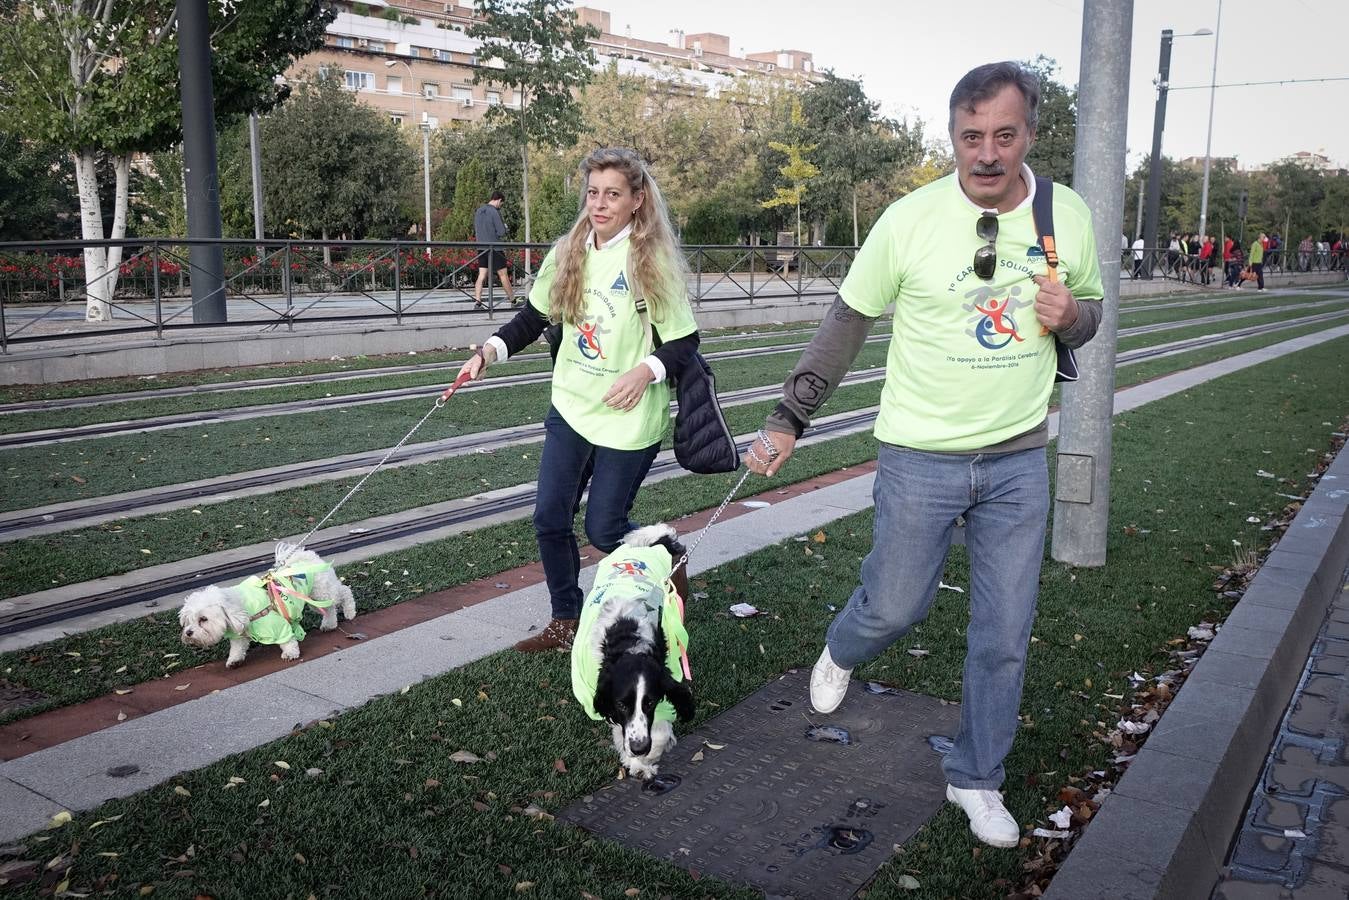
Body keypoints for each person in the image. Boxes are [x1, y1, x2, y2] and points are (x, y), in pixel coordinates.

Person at [743, 61, 1103, 849]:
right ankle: (843, 644)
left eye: (1002, 136)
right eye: (969, 137)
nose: (984, 154)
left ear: (1029, 136)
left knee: (1003, 631)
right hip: (918, 457)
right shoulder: (907, 219)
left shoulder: (1064, 214)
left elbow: (1089, 316)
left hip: (1015, 462)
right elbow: (845, 323)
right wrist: (785, 420)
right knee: (895, 604)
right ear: (952, 137)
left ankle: (975, 778)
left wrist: (1072, 314)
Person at [456, 148, 700, 652]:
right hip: (571, 407)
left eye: (613, 194)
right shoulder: (568, 251)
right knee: (549, 516)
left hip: (629, 418)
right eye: (593, 193)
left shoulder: (650, 258)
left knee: (604, 527)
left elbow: (683, 342)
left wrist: (645, 370)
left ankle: (663, 554)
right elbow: (532, 318)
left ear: (636, 201)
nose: (600, 204)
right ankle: (565, 619)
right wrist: (488, 351)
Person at [473, 190, 515, 310]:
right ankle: (513, 300)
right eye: (501, 204)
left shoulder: (479, 211)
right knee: (503, 275)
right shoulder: (494, 212)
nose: (500, 206)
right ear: (499, 200)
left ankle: (478, 302)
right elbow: (501, 231)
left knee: (481, 275)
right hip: (495, 248)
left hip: (481, 248)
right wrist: (505, 228)